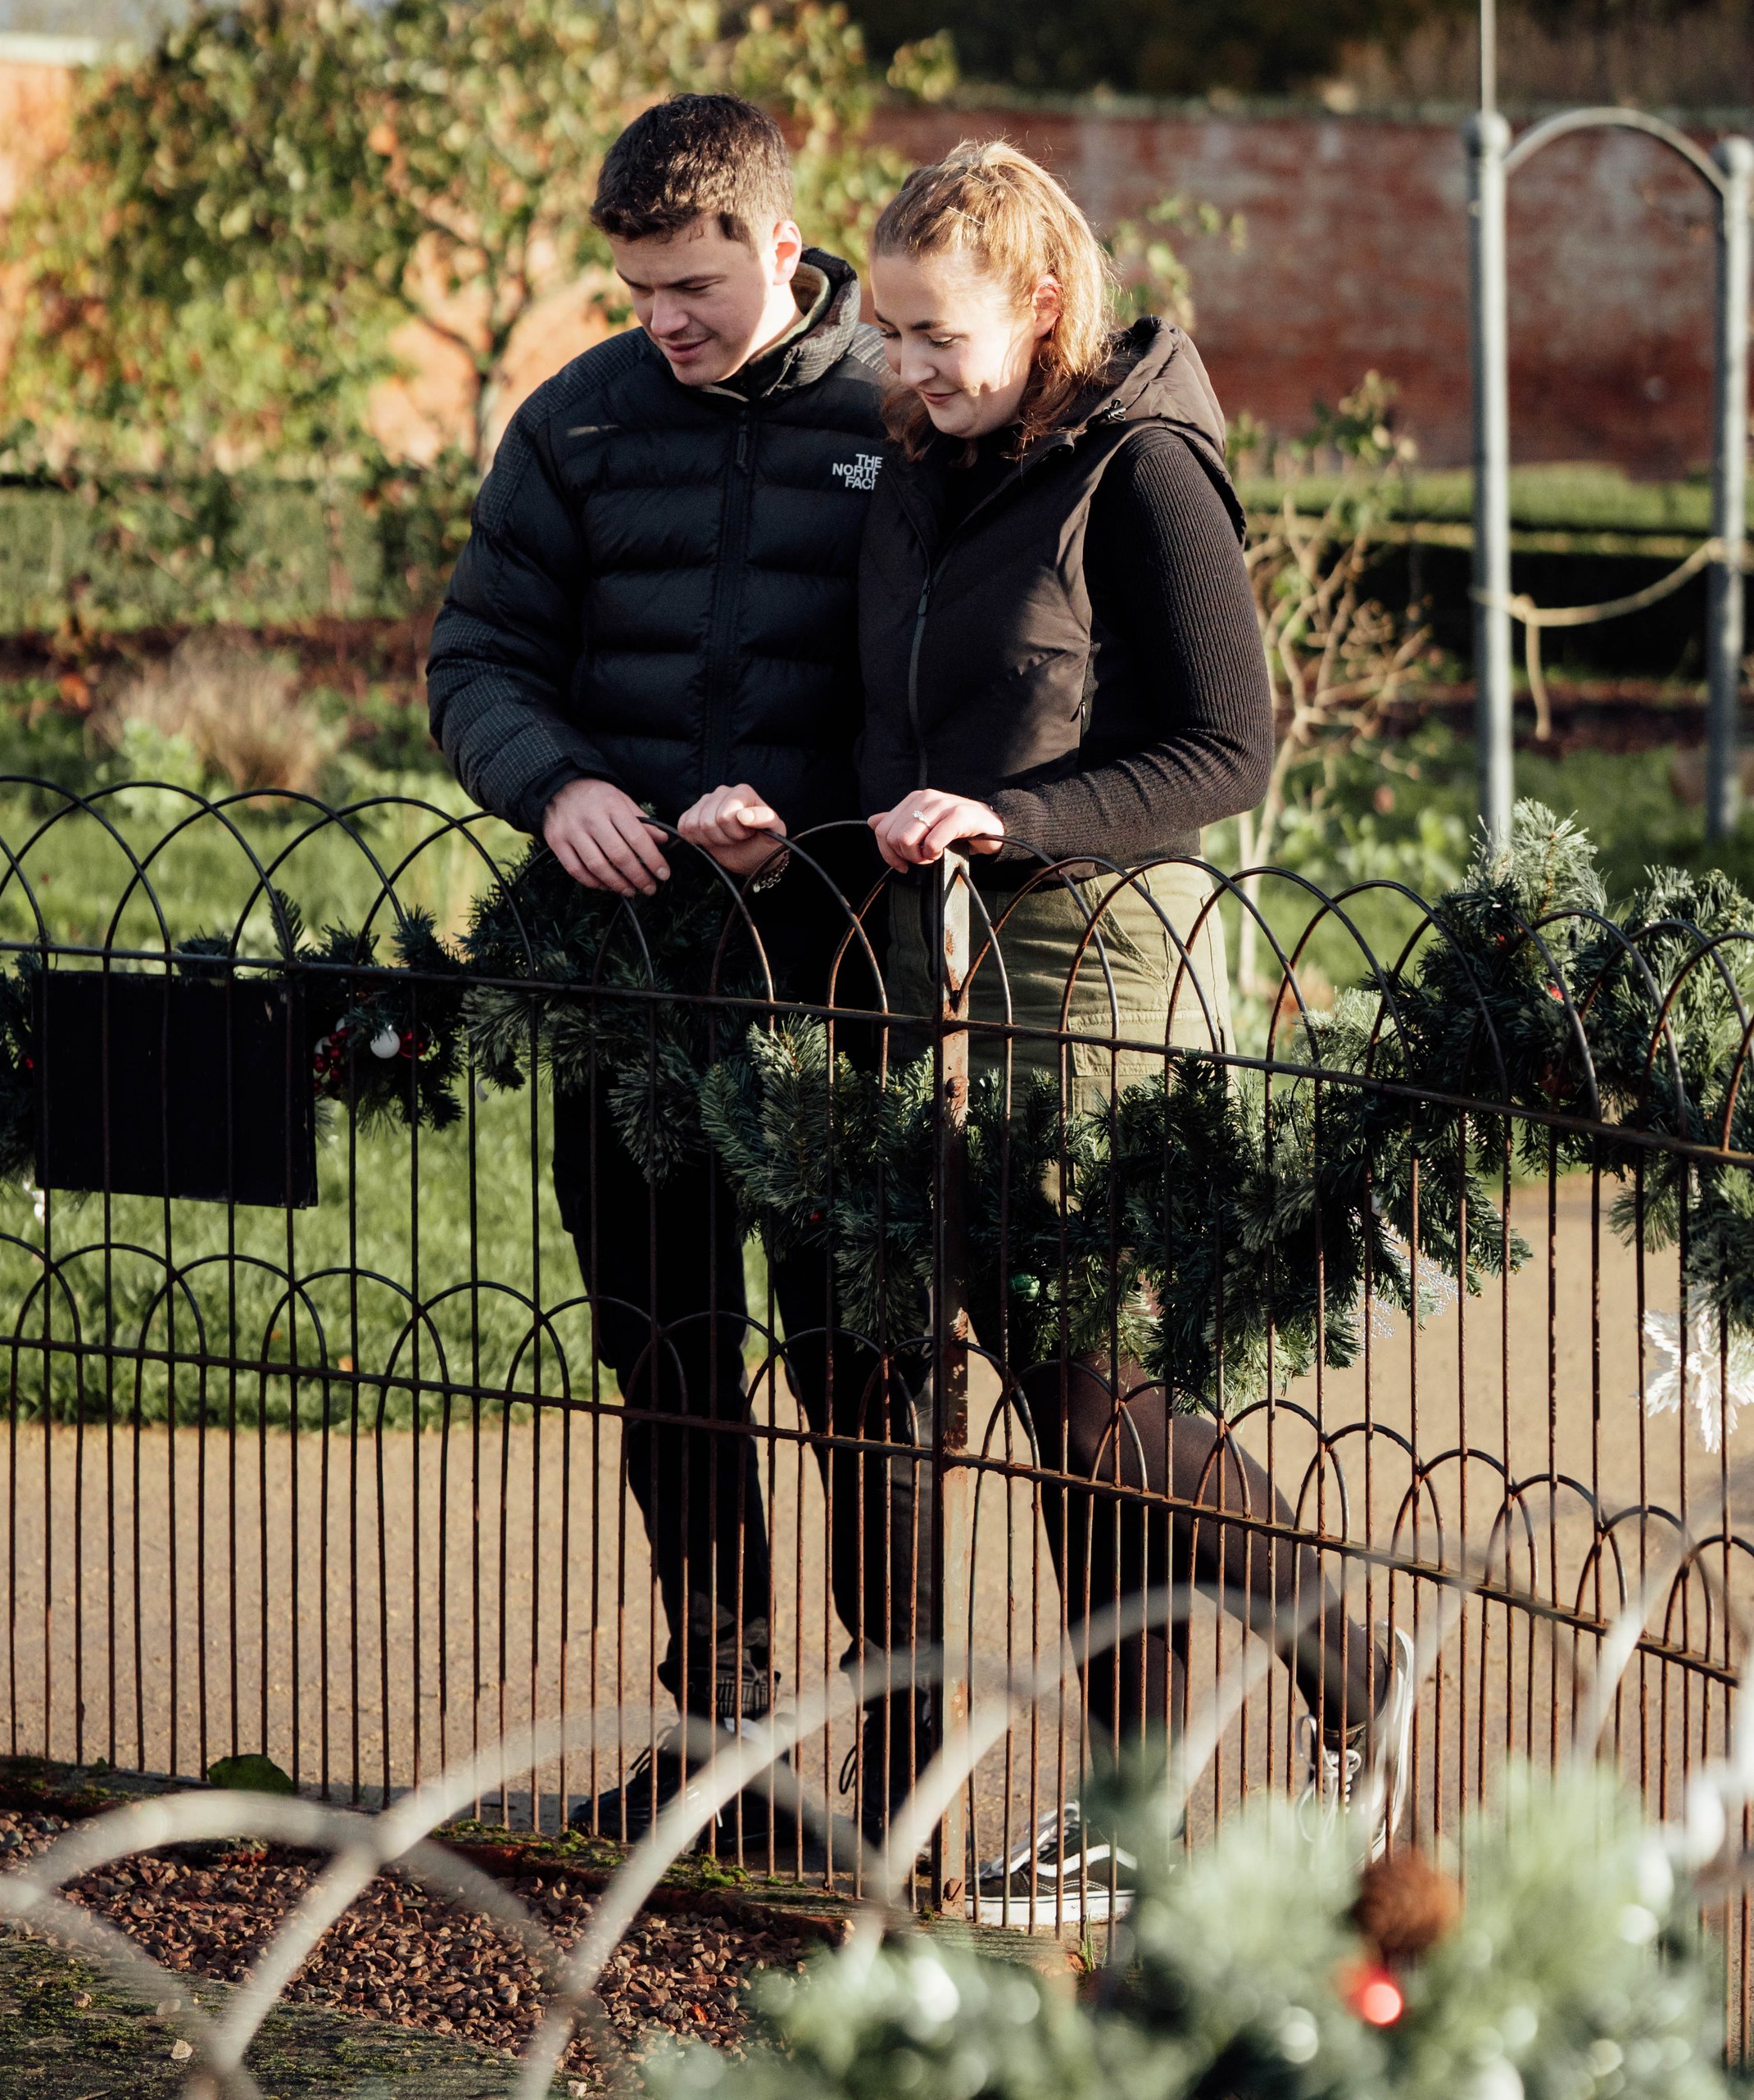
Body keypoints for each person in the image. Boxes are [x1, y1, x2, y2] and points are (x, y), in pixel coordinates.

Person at [850, 138, 1415, 1922]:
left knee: (1096, 1387)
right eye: (885, 332)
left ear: (1036, 303)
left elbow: (1227, 749)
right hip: (950, 955)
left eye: (934, 334)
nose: (905, 370)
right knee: (1057, 1386)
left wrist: (1013, 819)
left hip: (1109, 948)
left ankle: (1351, 1659)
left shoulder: (1141, 465)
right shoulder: (922, 472)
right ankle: (1129, 1813)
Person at [427, 93, 927, 1860]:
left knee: (864, 1373)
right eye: (635, 287)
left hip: (847, 974)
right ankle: (725, 1759)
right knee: (667, 1355)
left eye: (694, 284)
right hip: (626, 978)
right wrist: (557, 784)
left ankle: (900, 1769)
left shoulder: (907, 405)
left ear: (779, 247)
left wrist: (819, 825)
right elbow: (478, 653)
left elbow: (966, 684)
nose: (663, 321)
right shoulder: (572, 423)